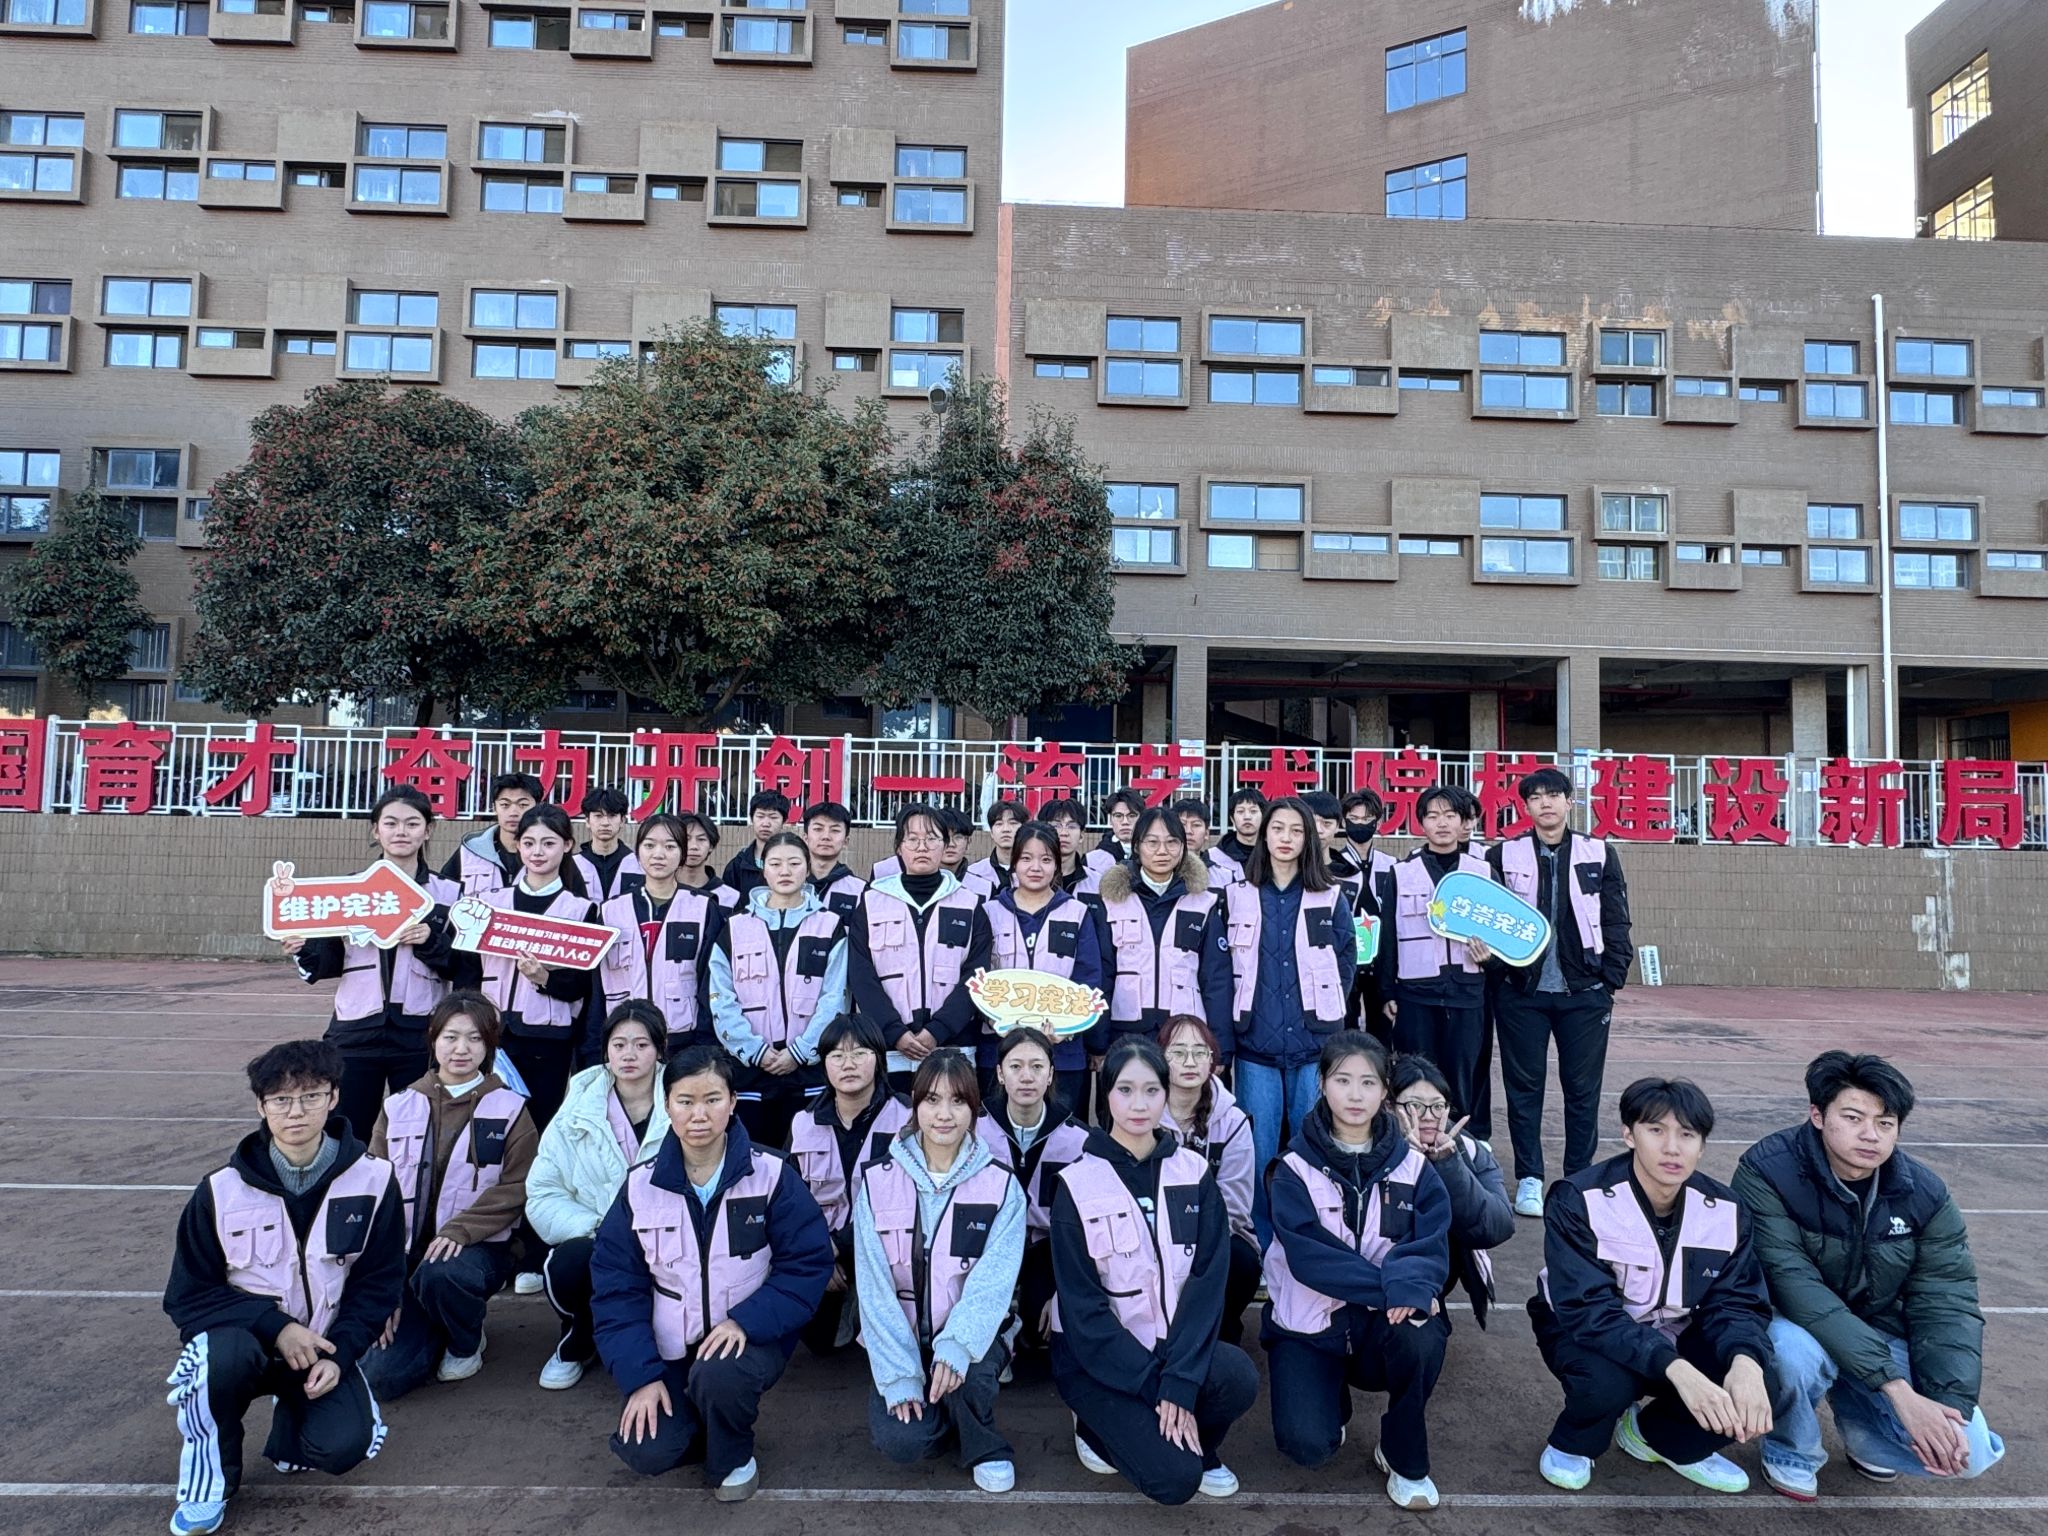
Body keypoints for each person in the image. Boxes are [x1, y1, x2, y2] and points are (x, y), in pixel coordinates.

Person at [1733, 1052, 2003, 1499]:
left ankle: (1866, 1436)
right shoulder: (1768, 1171)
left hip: (1877, 1326)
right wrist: (1897, 1390)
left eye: (1885, 1123)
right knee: (1789, 1352)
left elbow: (1947, 1301)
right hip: (1794, 1319)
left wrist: (1946, 1408)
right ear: (1818, 1116)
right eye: (1853, 1118)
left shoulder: (1924, 1193)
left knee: (1967, 1451)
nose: (1870, 1135)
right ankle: (1791, 1449)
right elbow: (1794, 1286)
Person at [164, 1041, 405, 1536]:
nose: (296, 1112)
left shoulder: (375, 1179)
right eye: (281, 1100)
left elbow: (378, 1284)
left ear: (333, 1098)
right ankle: (208, 1483)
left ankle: (292, 1427)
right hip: (244, 1343)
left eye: (311, 1096)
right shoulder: (220, 1190)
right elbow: (188, 1295)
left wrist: (341, 1356)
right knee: (216, 1362)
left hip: (323, 1346)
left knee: (345, 1446)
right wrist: (275, 1327)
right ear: (261, 1106)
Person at [591, 1042, 834, 1501]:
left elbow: (807, 1264)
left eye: (712, 1099)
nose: (698, 1115)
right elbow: (616, 1290)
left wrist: (746, 1321)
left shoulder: (772, 1174)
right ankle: (702, 1419)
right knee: (646, 1450)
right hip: (670, 1346)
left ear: (733, 1102)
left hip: (748, 1340)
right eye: (685, 1101)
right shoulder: (639, 1186)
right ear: (666, 1106)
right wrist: (641, 1377)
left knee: (720, 1376)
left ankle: (733, 1452)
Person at [1529, 1077, 1775, 1495]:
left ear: (1702, 1145)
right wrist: (1678, 1369)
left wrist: (1747, 1362)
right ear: (1629, 1134)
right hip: (1584, 1329)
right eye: (1656, 1130)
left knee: (1763, 1376)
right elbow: (1589, 1311)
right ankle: (1575, 1441)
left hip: (1674, 1328)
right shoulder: (1580, 1199)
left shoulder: (1726, 1210)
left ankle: (1658, 1438)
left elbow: (1737, 1301)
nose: (1672, 1148)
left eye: (1687, 1134)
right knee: (1606, 1384)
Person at [1049, 1037, 1259, 1505]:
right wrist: (1156, 1387)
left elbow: (1206, 1284)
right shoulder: (1077, 1184)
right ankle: (1094, 1427)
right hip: (1099, 1360)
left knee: (1238, 1377)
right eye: (1125, 1090)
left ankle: (1190, 1437)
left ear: (1166, 1094)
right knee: (1174, 1481)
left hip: (1170, 1346)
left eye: (1151, 1091)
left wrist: (1181, 1379)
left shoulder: (1194, 1173)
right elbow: (1084, 1312)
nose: (1139, 1105)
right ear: (1105, 1095)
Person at [1262, 1033, 1451, 1509]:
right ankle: (1331, 1400)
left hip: (1380, 1327)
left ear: (1385, 1090)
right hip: (1310, 1325)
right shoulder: (1292, 1168)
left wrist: (1411, 1290)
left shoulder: (1414, 1167)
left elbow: (1429, 1242)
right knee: (1306, 1445)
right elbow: (1309, 1257)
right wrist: (1394, 1290)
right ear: (1322, 1084)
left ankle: (1402, 1455)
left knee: (1422, 1334)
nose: (1355, 1094)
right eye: (1342, 1080)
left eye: (1368, 1082)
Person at [854, 1049, 1028, 1493]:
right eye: (932, 1100)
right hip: (905, 1337)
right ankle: (942, 1412)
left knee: (966, 1378)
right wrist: (899, 1375)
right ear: (915, 1105)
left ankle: (983, 1444)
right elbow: (873, 1289)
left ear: (975, 1109)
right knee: (902, 1441)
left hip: (973, 1334)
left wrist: (956, 1345)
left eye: (958, 1101)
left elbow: (993, 1284)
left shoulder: (1001, 1185)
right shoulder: (876, 1181)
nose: (944, 1115)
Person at [362, 993, 537, 1398]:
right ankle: (431, 1320)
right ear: (433, 1038)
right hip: (403, 1257)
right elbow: (372, 1190)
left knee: (442, 1274)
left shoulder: (511, 1108)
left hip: (474, 1254)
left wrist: (461, 1230)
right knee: (381, 1378)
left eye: (475, 1039)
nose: (462, 1049)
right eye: (451, 1037)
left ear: (489, 1045)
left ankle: (465, 1340)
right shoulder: (398, 1105)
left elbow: (519, 1185)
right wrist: (382, 1288)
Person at [1487, 767, 1635, 1218]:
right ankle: (1530, 1178)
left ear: (1570, 801)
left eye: (1554, 795)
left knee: (1582, 1090)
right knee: (1523, 1089)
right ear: (1526, 806)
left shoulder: (1599, 852)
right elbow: (1489, 918)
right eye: (1536, 797)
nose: (1546, 803)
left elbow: (1616, 916)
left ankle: (1578, 1178)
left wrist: (1610, 978)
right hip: (1522, 993)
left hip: (1585, 992)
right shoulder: (1503, 854)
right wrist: (1499, 972)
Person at [283, 785, 467, 1141]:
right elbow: (326, 964)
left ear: (428, 830)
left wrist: (431, 941)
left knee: (418, 1131)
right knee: (346, 1130)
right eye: (391, 823)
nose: (401, 832)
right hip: (355, 1029)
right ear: (376, 830)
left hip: (422, 1030)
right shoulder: (346, 891)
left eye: (412, 824)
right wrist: (303, 948)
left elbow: (462, 967)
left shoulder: (449, 893)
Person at [1227, 795, 1356, 1245]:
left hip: (1313, 1046)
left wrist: (1326, 1012)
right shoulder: (1237, 895)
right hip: (1255, 1048)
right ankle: (1262, 1244)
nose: (1286, 838)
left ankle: (1310, 1243)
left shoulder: (1330, 895)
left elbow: (1345, 960)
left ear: (1309, 839)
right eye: (1277, 828)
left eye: (1296, 830)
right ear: (1263, 835)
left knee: (1313, 1149)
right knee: (1259, 1154)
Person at [527, 1001, 670, 1392]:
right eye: (619, 1044)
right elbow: (543, 1191)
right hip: (600, 1237)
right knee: (570, 1262)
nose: (629, 1055)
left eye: (641, 1045)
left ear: (660, 1049)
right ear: (605, 1049)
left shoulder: (683, 1098)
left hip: (673, 1240)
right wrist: (599, 1228)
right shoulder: (578, 1107)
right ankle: (580, 1335)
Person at [708, 830, 848, 1149]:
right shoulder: (735, 926)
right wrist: (755, 1050)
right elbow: (721, 998)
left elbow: (835, 997)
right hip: (750, 1072)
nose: (785, 871)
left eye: (794, 863)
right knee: (755, 1159)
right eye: (775, 864)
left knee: (810, 1159)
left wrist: (801, 1052)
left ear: (808, 867)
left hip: (810, 1073)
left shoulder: (829, 925)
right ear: (763, 869)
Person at [1374, 784, 1497, 1137]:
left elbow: (1501, 934)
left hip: (1468, 991)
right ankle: (1413, 1144)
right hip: (1415, 992)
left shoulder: (1483, 871)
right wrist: (1387, 992)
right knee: (1415, 1075)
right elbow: (1388, 936)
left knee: (1465, 1074)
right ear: (1421, 823)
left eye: (1450, 815)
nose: (1441, 823)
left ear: (1463, 822)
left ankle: (1465, 1145)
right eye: (1432, 816)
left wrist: (1490, 961)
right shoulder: (1402, 872)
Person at [787, 1014, 912, 1355]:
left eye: (859, 1053)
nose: (848, 1064)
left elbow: (910, 1202)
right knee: (820, 1342)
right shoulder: (803, 1123)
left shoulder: (906, 1120)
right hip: (823, 1250)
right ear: (824, 1064)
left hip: (887, 1251)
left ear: (879, 1059)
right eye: (837, 1055)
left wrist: (838, 1248)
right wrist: (821, 1254)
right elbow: (790, 1202)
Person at [472, 803, 599, 1131]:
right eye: (528, 843)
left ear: (567, 845)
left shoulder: (581, 910)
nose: (537, 852)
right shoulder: (490, 904)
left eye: (548, 843)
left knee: (540, 1126)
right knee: (489, 1125)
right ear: (517, 845)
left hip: (549, 1039)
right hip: (491, 1033)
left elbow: (583, 985)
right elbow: (468, 970)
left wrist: (544, 978)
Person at [847, 804, 993, 1085]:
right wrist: (894, 1031)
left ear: (945, 845)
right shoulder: (872, 902)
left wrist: (938, 1030)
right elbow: (861, 974)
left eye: (931, 838)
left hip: (953, 1048)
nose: (922, 847)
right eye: (912, 839)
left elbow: (977, 975)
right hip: (887, 1048)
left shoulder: (969, 904)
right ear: (898, 847)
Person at [974, 1027, 1090, 1356]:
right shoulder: (976, 1131)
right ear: (1000, 1073)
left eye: (1037, 1067)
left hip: (1046, 1248)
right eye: (1016, 1066)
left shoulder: (1078, 1139)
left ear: (1051, 1074)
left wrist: (1063, 1292)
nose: (1027, 1077)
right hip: (988, 1246)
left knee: (1041, 1335)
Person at [982, 819, 1107, 1101]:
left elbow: (1088, 979)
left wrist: (1068, 1029)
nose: (1035, 867)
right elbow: (977, 977)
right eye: (1026, 858)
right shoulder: (989, 912)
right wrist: (996, 1021)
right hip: (999, 1051)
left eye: (1046, 859)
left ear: (1057, 865)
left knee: (1063, 1127)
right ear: (1014, 863)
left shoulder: (1077, 913)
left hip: (1063, 1054)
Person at [1094, 806, 1233, 1056]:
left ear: (1182, 847)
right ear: (1137, 847)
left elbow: (1216, 979)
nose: (1162, 851)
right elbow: (1103, 975)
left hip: (1187, 1034)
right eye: (1152, 842)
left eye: (1172, 842)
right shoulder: (1113, 901)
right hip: (1125, 1033)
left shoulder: (1203, 902)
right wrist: (1097, 1043)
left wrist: (1221, 1046)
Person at [1389, 1053, 1515, 1328]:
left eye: (1438, 1106)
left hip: (1438, 1274)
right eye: (1414, 1106)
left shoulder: (1464, 1147)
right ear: (1389, 1106)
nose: (1428, 1117)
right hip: (1377, 1274)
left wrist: (1447, 1164)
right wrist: (1406, 1163)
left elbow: (1498, 1227)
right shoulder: (1371, 1145)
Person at [1157, 1016, 1258, 1346]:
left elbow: (1236, 1204)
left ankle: (1222, 1334)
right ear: (1160, 1058)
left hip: (1218, 1233)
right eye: (1178, 1052)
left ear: (1213, 1060)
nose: (1190, 1061)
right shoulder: (1144, 1113)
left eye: (1200, 1052)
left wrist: (1193, 1241)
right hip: (1156, 1232)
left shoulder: (1233, 1121)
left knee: (1242, 1261)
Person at [598, 812, 721, 1058]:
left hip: (683, 1038)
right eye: (649, 845)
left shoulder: (703, 907)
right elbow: (597, 984)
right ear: (637, 852)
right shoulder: (611, 910)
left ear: (682, 854)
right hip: (624, 1040)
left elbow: (712, 981)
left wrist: (705, 1044)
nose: (658, 854)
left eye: (670, 846)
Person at [1340, 788, 1395, 1042]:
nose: (1360, 824)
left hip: (1380, 960)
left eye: (1367, 819)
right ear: (1343, 822)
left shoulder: (1391, 864)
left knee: (1382, 1033)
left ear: (1378, 823)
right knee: (1345, 1030)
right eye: (1354, 819)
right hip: (1346, 958)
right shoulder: (1332, 865)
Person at [442, 772, 543, 897]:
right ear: (494, 807)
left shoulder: (548, 853)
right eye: (505, 805)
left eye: (523, 805)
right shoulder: (472, 849)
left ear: (538, 807)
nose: (513, 812)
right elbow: (444, 893)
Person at [576, 786, 643, 904]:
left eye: (612, 816)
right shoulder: (573, 865)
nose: (605, 823)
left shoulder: (639, 865)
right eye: (598, 816)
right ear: (587, 821)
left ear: (622, 821)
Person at [720, 791, 792, 901]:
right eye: (760, 816)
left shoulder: (794, 863)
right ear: (752, 818)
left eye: (773, 817)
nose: (765, 823)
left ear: (784, 821)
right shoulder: (737, 866)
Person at [802, 801, 867, 919]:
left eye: (835, 830)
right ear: (806, 838)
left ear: (846, 841)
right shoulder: (789, 884)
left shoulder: (861, 890)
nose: (826, 836)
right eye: (818, 829)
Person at [675, 811, 741, 913]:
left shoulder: (730, 897)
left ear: (711, 846)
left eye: (701, 839)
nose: (693, 846)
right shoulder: (661, 891)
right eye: (686, 839)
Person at [962, 798, 1026, 900]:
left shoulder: (1033, 871)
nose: (1006, 829)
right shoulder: (974, 873)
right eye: (999, 824)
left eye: (1013, 823)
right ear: (991, 833)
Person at [1173, 798, 1240, 889]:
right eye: (1182, 824)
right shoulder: (1159, 871)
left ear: (1206, 834)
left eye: (1196, 825)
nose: (1188, 831)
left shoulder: (1223, 876)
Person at [1040, 797, 1099, 894]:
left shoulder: (1097, 883)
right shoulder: (1025, 880)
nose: (1064, 833)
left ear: (1081, 835)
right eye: (1056, 826)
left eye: (1071, 826)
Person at [1095, 787, 1146, 871]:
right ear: (1110, 820)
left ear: (1141, 818)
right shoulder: (1097, 857)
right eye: (1118, 816)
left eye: (1132, 816)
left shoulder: (1152, 852)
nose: (1125, 822)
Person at [1215, 787, 1265, 870]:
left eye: (1253, 811)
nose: (1247, 817)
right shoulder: (1215, 857)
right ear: (1232, 819)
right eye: (1240, 811)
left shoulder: (1274, 854)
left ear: (1263, 816)